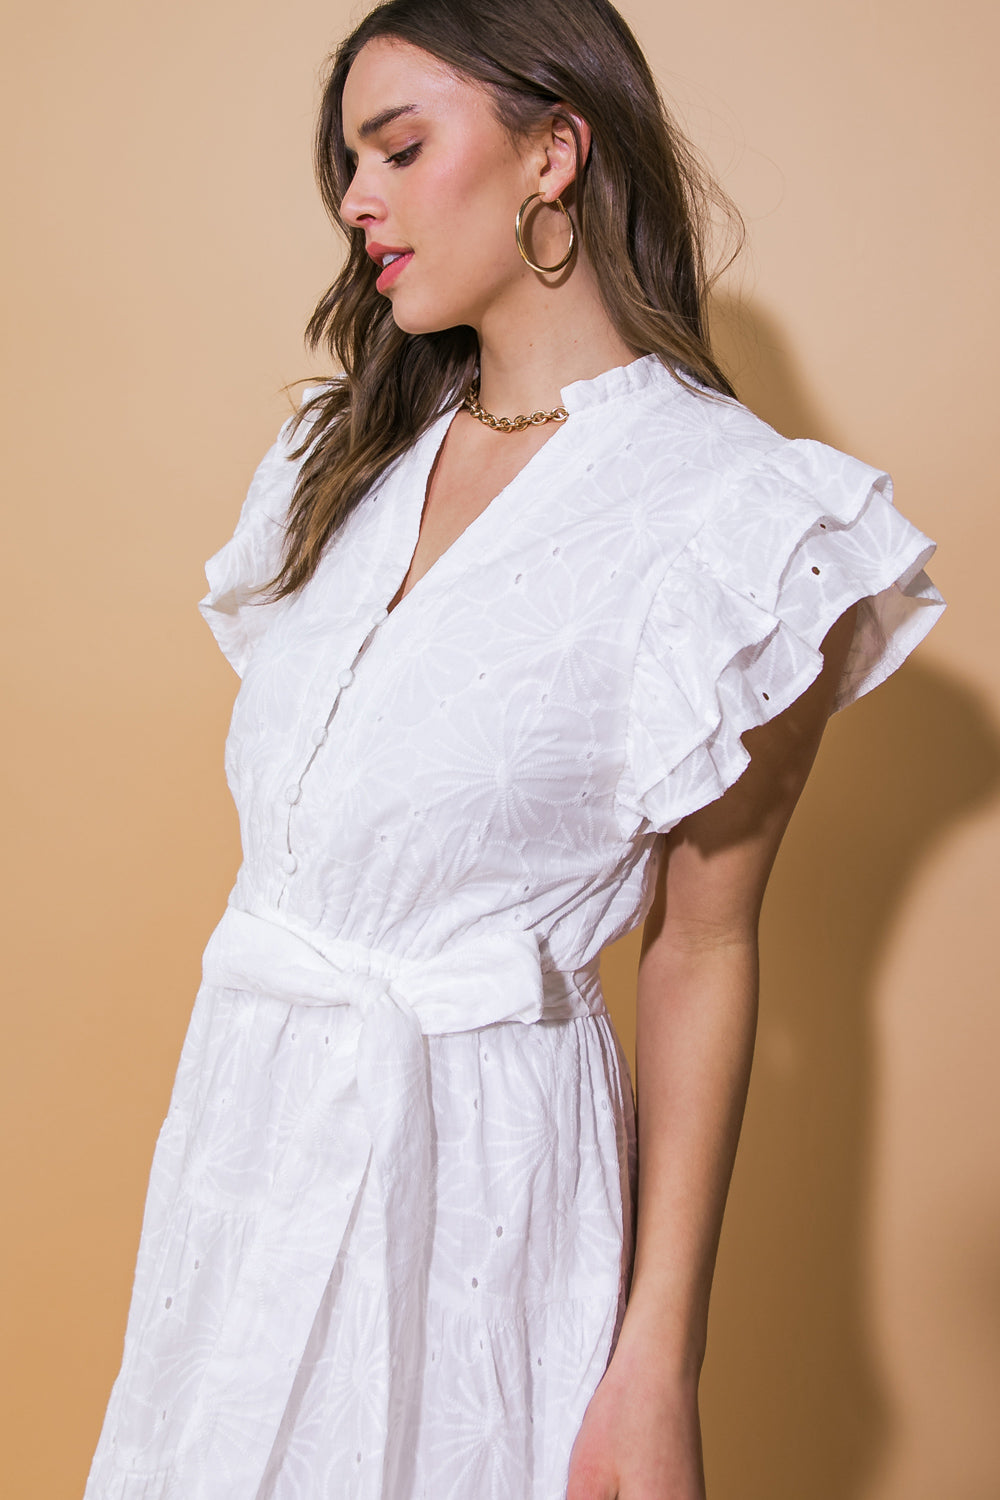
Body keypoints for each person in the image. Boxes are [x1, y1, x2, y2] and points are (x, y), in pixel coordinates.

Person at [83, 1, 944, 1497]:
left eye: (400, 148)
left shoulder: (736, 529)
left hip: (482, 1181)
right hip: (248, 1147)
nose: (358, 200)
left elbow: (700, 952)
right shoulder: (333, 459)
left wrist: (654, 1365)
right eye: (348, 162)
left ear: (556, 151)